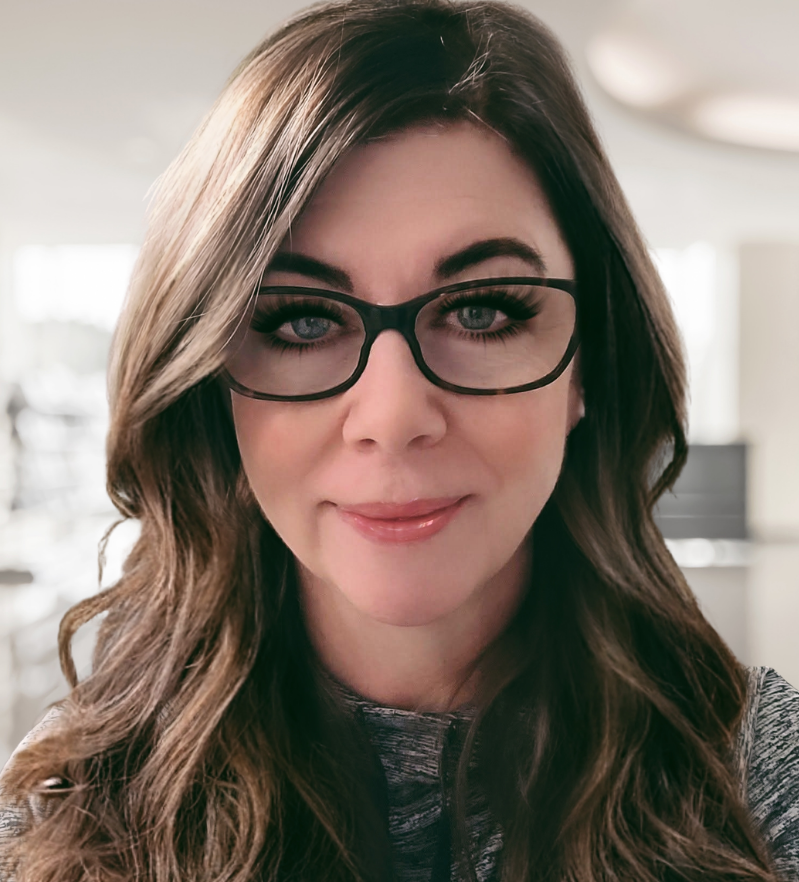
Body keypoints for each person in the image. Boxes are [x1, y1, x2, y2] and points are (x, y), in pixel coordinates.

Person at [2, 1, 798, 880]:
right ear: (208, 387)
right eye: (300, 321)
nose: (390, 416)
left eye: (482, 310)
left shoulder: (762, 788)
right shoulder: (62, 817)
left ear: (588, 369)